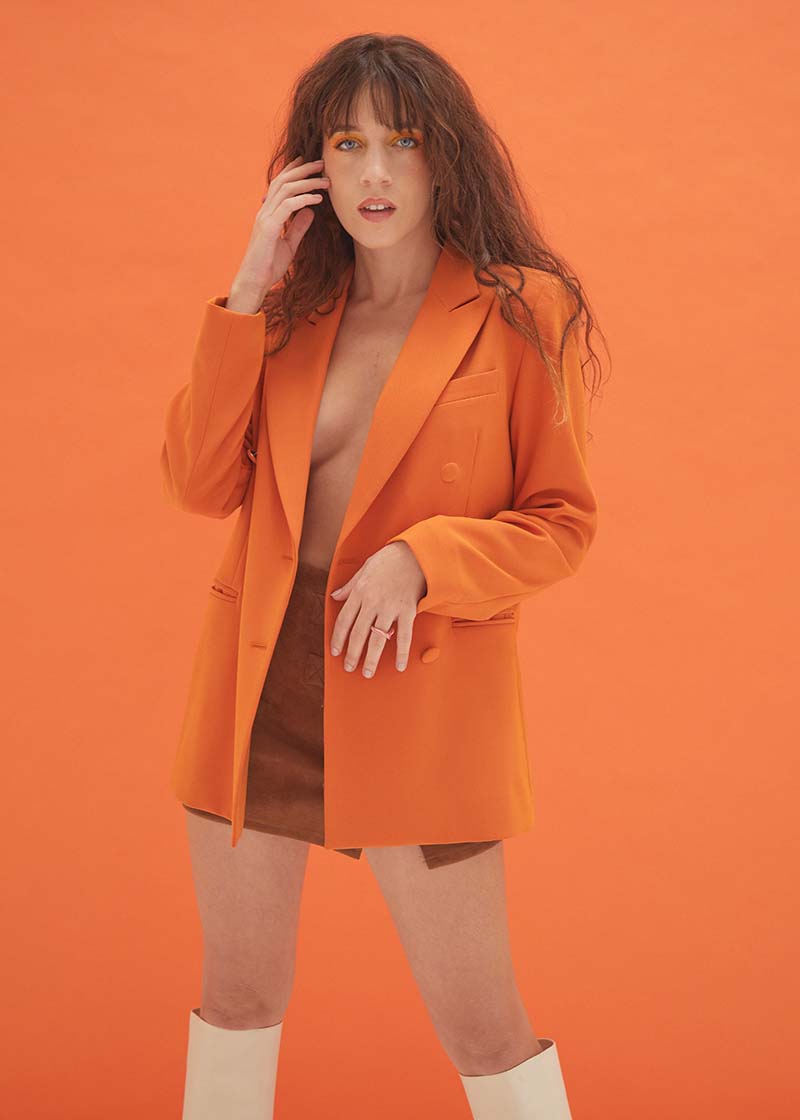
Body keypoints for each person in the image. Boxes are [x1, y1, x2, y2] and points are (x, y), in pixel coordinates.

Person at [162, 33, 604, 1120]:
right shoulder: (286, 316)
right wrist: (248, 282)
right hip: (261, 690)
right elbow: (199, 483)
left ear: (443, 156)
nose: (373, 172)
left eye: (400, 142)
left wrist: (424, 559)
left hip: (420, 692)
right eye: (346, 143)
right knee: (237, 1001)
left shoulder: (519, 310)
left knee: (483, 1025)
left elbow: (560, 523)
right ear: (311, 165)